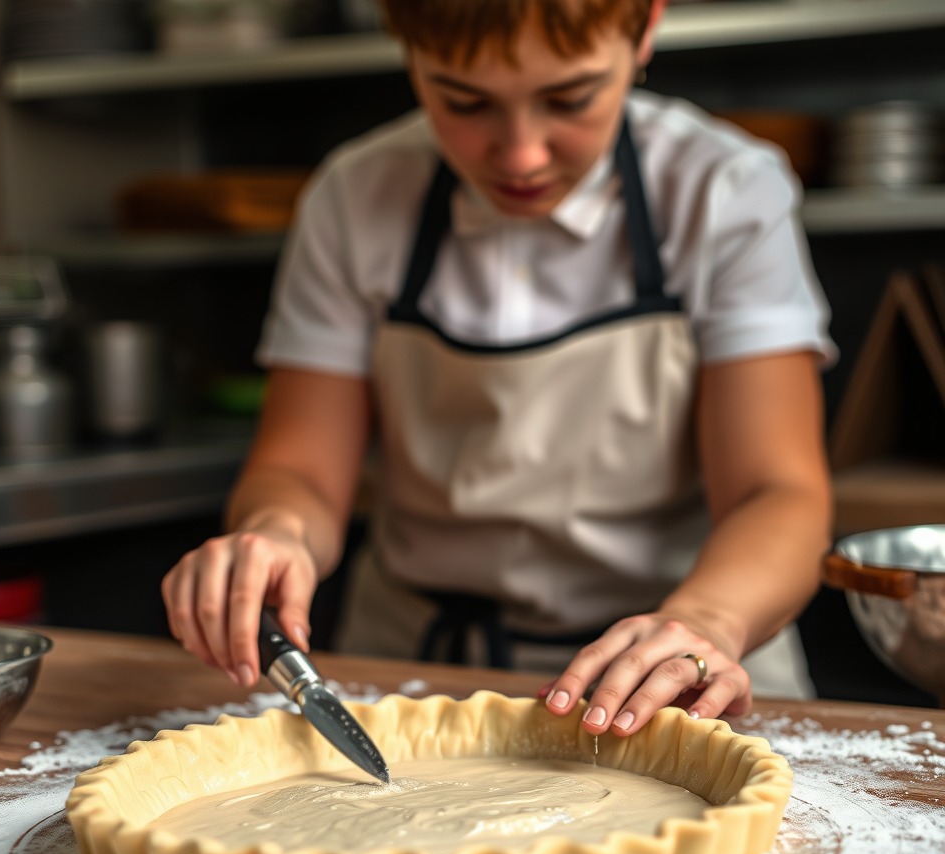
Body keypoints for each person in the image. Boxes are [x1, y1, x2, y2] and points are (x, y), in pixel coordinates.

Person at [162, 0, 836, 738]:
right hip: (413, 677)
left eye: (570, 98)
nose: (520, 155)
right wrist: (277, 530)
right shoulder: (355, 197)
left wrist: (704, 621)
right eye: (464, 101)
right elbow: (303, 472)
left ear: (644, 30)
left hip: (675, 682)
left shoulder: (723, 190)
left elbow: (778, 491)